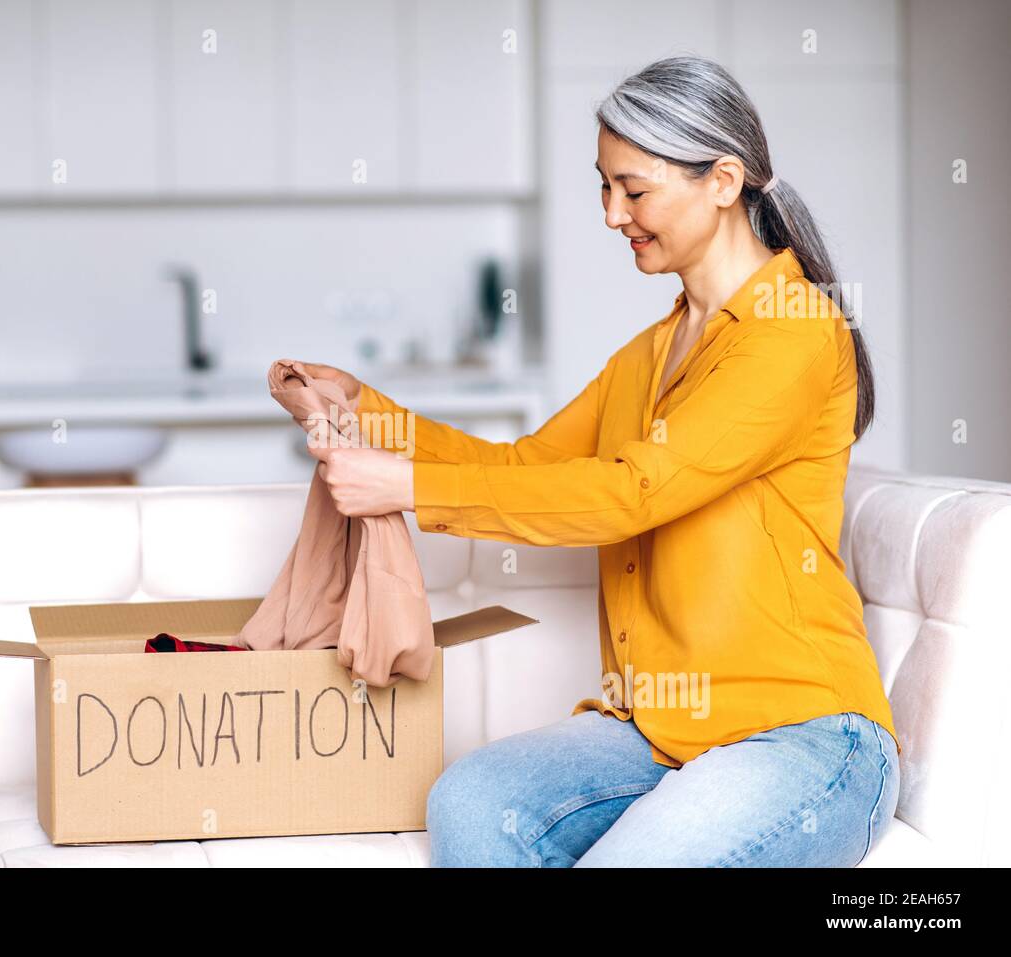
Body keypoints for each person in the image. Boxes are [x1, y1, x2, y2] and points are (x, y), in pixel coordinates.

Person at [298, 55, 900, 867]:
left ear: (724, 180)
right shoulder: (650, 353)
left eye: (635, 189)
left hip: (800, 732)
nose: (613, 214)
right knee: (471, 802)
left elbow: (635, 491)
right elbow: (527, 464)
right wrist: (370, 411)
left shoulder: (794, 333)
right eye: (603, 187)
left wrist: (404, 486)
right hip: (656, 727)